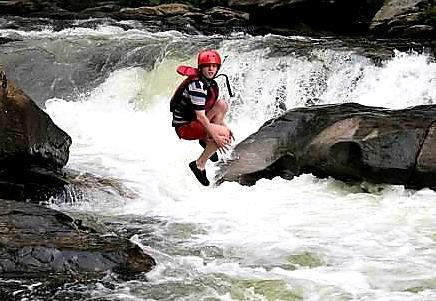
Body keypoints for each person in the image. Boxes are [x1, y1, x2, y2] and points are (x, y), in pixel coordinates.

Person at [170, 49, 233, 186]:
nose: (211, 69)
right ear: (201, 68)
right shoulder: (197, 85)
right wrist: (217, 136)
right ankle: (199, 164)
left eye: (214, 66)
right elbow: (200, 117)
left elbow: (206, 111)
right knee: (223, 134)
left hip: (194, 120)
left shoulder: (207, 82)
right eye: (207, 66)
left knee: (222, 105)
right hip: (185, 127)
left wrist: (224, 126)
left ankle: (206, 141)